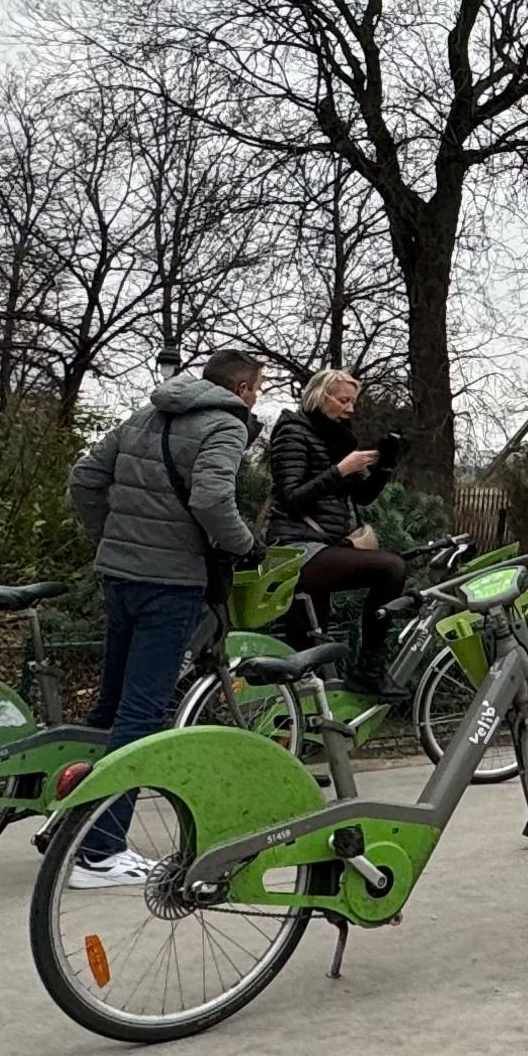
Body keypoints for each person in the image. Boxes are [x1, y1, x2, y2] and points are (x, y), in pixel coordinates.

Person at [63, 348, 264, 886]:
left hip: (120, 574)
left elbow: (84, 478)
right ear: (243, 389)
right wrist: (244, 545)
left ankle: (71, 830)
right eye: (258, 388)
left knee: (109, 706)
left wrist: (110, 535)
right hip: (170, 582)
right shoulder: (227, 426)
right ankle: (100, 853)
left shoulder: (145, 415)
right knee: (142, 714)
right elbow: (212, 498)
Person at [264, 367, 408, 694]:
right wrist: (340, 469)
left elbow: (362, 495)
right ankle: (369, 667)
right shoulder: (292, 432)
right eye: (344, 400)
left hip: (320, 547)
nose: (350, 408)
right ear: (320, 396)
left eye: (352, 402)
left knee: (307, 656)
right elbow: (290, 499)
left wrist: (385, 465)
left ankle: (302, 729)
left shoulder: (337, 439)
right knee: (391, 568)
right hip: (297, 549)